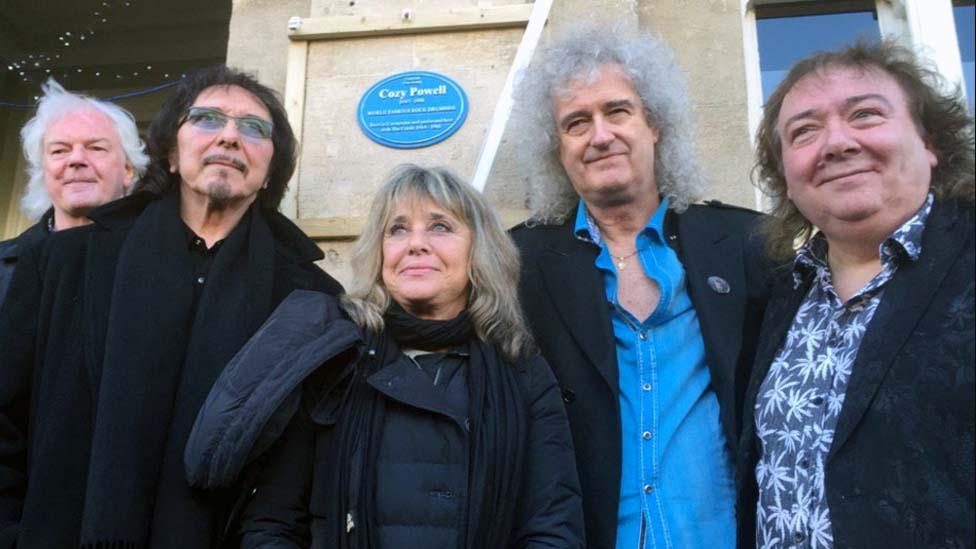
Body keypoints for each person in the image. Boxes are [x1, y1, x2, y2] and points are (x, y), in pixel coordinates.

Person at [0, 66, 342, 548]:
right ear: (171, 154)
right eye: (207, 119)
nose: (229, 136)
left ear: (271, 172)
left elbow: (303, 467)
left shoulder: (309, 299)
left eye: (253, 128)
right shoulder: (64, 262)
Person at [184, 164, 585, 548]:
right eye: (397, 230)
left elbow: (552, 527)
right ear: (380, 254)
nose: (415, 244)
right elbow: (273, 523)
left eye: (440, 226)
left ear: (480, 252)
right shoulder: (333, 361)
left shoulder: (521, 369)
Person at [508, 22, 772, 549]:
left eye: (618, 111)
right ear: (556, 149)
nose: (600, 135)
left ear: (654, 124)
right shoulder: (518, 261)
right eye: (576, 123)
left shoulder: (746, 243)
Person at [737, 40, 975, 548]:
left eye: (865, 114)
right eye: (804, 131)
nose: (837, 143)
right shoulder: (782, 292)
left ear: (930, 141)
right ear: (787, 178)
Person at [0, 79, 147, 306]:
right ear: (43, 170)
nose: (76, 159)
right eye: (59, 150)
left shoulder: (161, 261)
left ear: (128, 170)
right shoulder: (4, 264)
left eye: (96, 148)